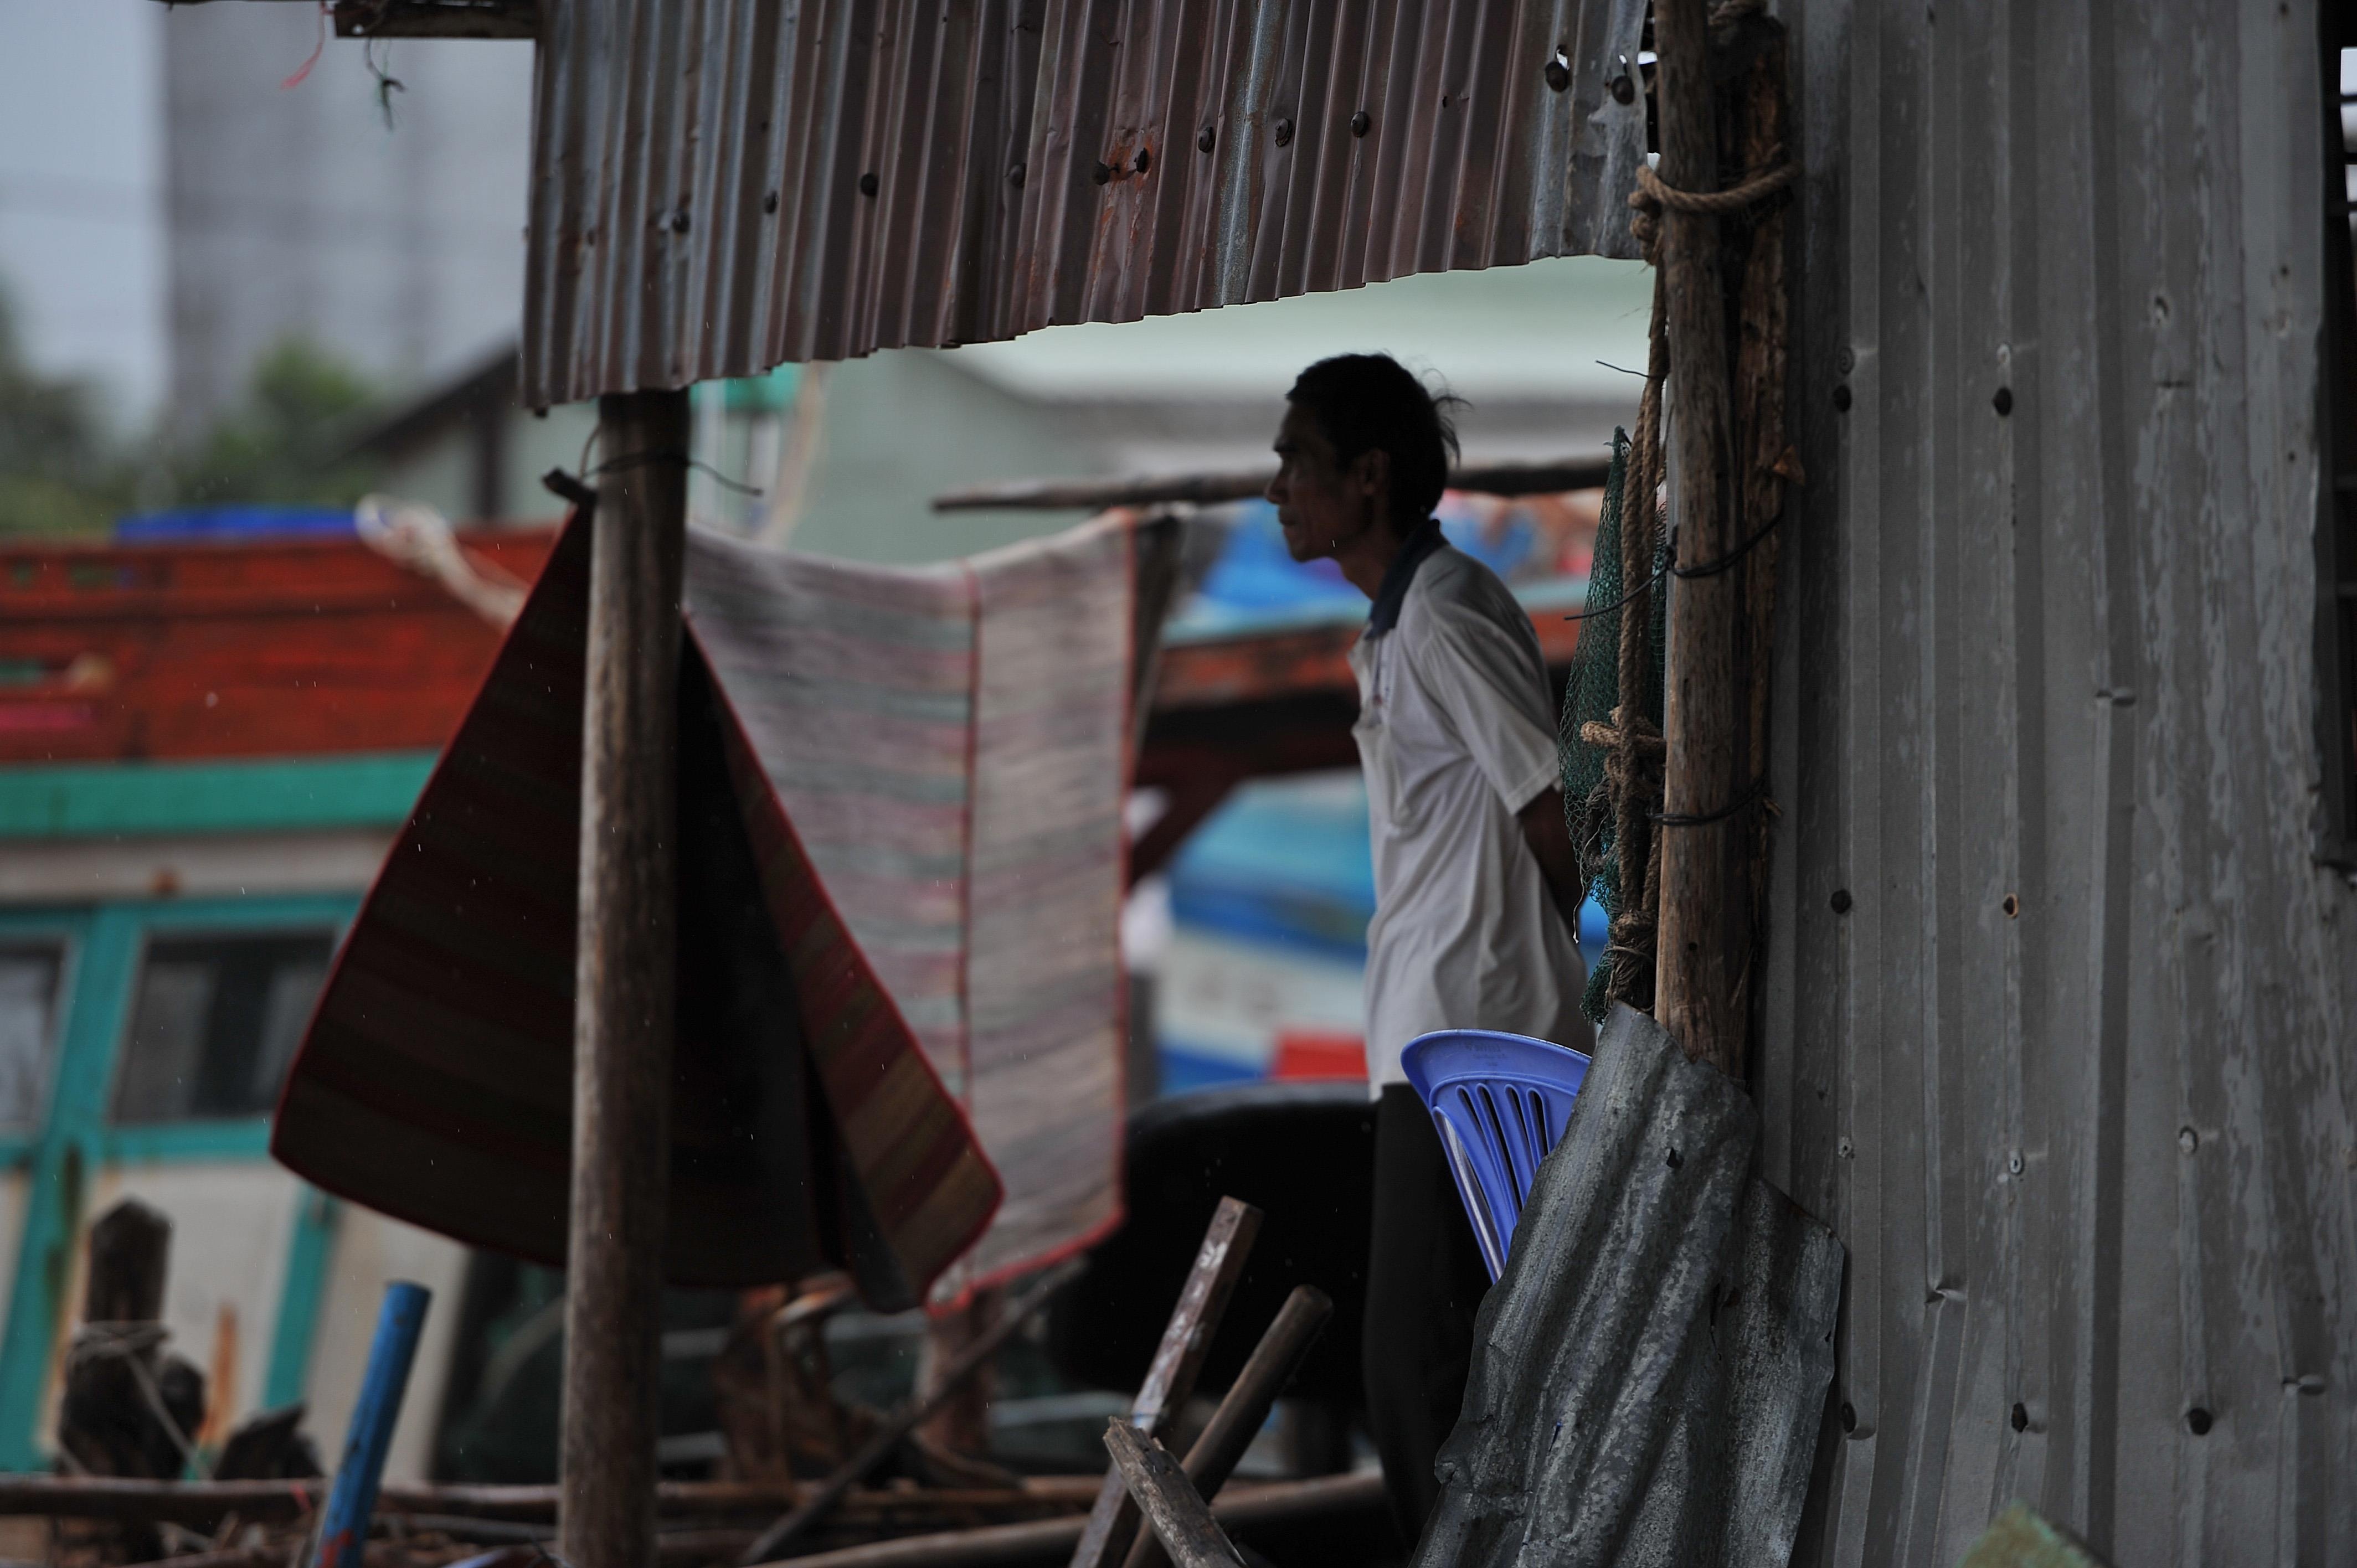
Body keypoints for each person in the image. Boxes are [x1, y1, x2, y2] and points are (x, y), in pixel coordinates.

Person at [1264, 353, 1592, 1545]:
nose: (1275, 488)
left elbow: (1550, 808)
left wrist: (1540, 958)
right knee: (1437, 1354)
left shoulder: (1448, 612)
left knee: (1416, 1360)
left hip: (1468, 1034)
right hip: (1434, 1031)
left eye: (1296, 461)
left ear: (1368, 474)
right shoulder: (1400, 621)